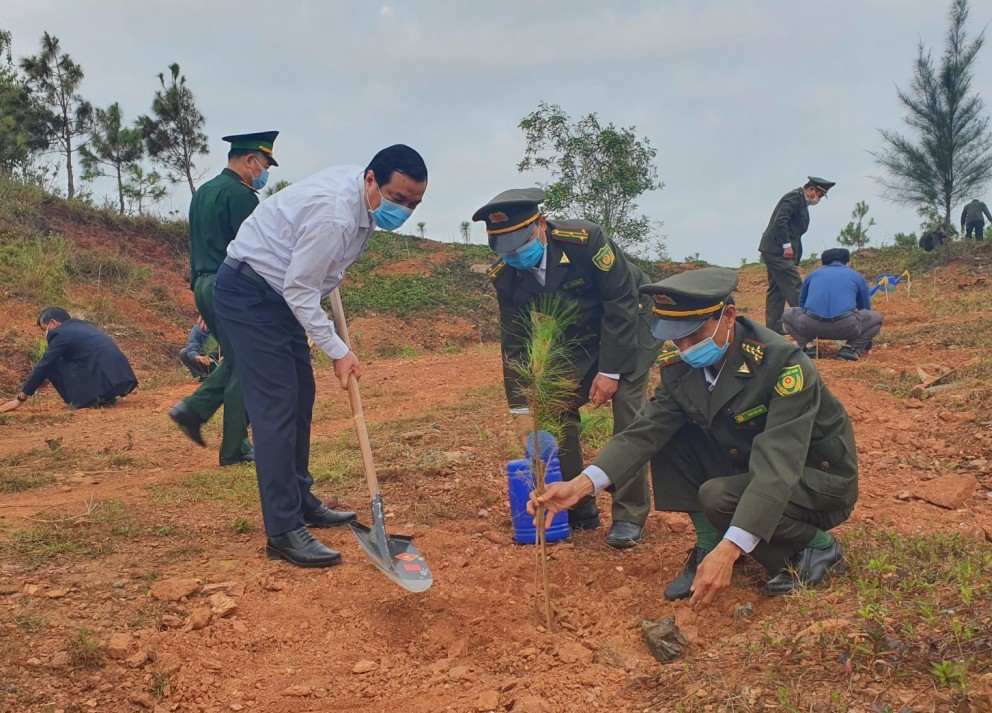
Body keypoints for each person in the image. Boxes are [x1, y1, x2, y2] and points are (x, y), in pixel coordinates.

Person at [529, 268, 858, 609]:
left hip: (815, 480)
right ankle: (708, 543)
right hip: (751, 465)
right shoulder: (680, 368)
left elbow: (779, 465)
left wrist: (729, 552)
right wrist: (581, 485)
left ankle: (819, 547)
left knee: (718, 498)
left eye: (694, 333)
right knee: (669, 431)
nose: (685, 347)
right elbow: (644, 432)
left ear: (728, 316)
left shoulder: (782, 364)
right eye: (676, 337)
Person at [213, 144, 428, 568]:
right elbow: (299, 288)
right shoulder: (335, 215)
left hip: (282, 292)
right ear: (371, 180)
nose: (403, 209)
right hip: (250, 293)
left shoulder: (359, 200)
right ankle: (283, 529)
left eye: (414, 203)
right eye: (398, 198)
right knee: (277, 406)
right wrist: (338, 350)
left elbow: (313, 277)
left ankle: (300, 497)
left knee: (300, 397)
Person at [473, 189, 662, 548]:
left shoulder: (584, 241)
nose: (516, 257)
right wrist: (523, 411)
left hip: (634, 321)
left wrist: (610, 372)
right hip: (579, 334)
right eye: (506, 250)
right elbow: (515, 344)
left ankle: (629, 514)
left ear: (541, 225)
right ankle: (579, 505)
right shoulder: (506, 275)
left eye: (520, 244)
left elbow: (620, 302)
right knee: (555, 409)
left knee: (627, 409)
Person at [169, 131, 279, 467]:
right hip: (232, 286)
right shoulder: (242, 197)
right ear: (249, 161)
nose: (263, 173)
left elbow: (196, 245)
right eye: (264, 165)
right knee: (247, 360)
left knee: (236, 358)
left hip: (203, 283)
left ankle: (195, 412)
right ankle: (231, 444)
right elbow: (255, 253)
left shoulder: (202, 193)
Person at [0, 307, 137, 413]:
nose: (45, 334)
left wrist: (20, 399)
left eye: (44, 329)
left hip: (103, 377)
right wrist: (47, 379)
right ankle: (103, 398)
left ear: (53, 323)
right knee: (54, 362)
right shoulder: (82, 326)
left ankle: (84, 400)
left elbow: (45, 364)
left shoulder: (60, 334)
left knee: (49, 364)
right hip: (120, 377)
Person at [758, 177, 836, 334]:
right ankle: (809, 325)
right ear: (812, 189)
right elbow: (780, 221)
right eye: (820, 195)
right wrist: (786, 245)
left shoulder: (802, 202)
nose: (819, 199)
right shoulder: (794, 197)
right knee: (794, 286)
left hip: (775, 249)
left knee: (777, 289)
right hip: (777, 250)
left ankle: (774, 329)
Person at [782, 248, 883, 361]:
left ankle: (808, 347)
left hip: (811, 326)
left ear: (823, 263)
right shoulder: (856, 276)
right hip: (846, 327)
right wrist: (866, 344)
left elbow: (802, 305)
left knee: (786, 314)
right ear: (848, 262)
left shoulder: (813, 275)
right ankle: (851, 349)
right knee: (876, 317)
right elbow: (865, 309)